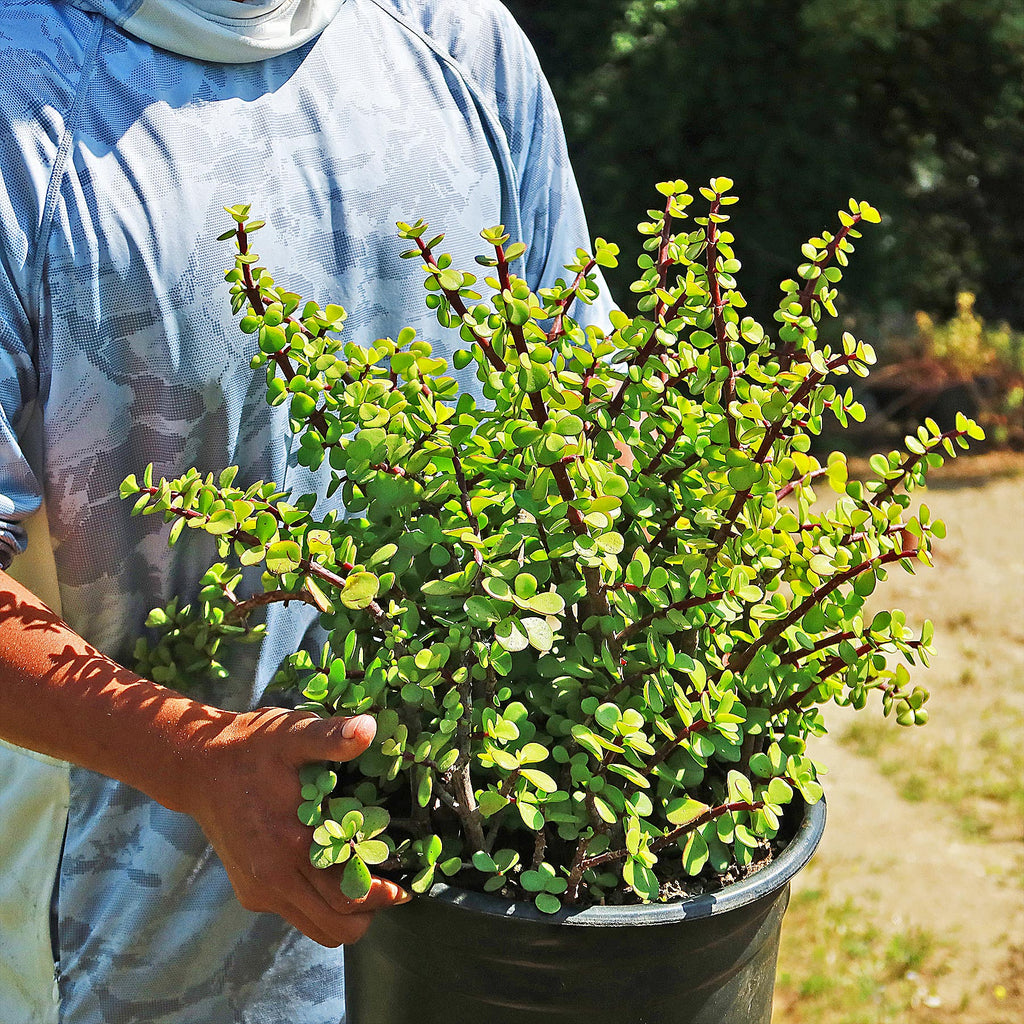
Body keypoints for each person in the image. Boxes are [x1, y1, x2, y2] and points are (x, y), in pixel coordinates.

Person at [0, 1, 609, 1021]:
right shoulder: (25, 95)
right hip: (120, 955)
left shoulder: (461, 41)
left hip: (470, 936)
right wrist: (189, 757)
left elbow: (582, 420)